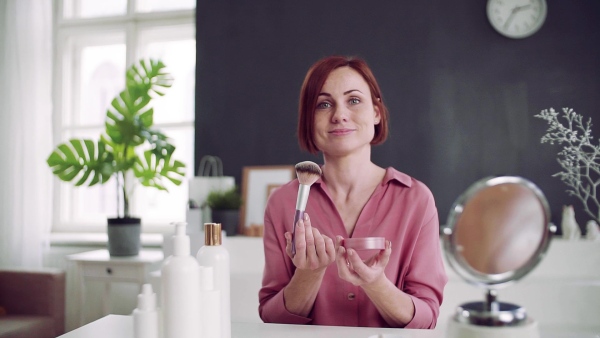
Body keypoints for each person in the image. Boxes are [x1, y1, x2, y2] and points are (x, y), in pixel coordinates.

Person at [258, 55, 447, 329]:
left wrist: (376, 284)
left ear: (376, 113)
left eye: (354, 100)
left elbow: (426, 320)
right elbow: (271, 317)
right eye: (324, 104)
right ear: (309, 121)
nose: (339, 115)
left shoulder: (415, 199)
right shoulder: (283, 203)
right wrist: (309, 275)